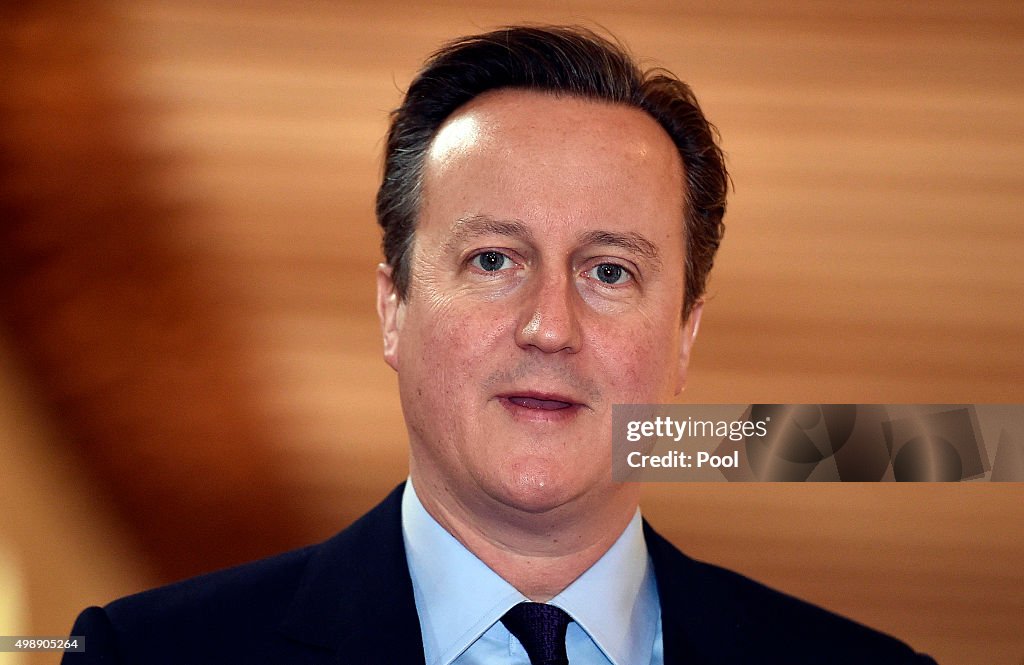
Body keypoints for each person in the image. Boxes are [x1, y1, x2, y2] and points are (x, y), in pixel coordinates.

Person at [64, 25, 935, 664]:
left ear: (683, 343)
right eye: (492, 259)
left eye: (610, 272)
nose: (549, 326)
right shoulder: (146, 655)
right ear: (393, 308)